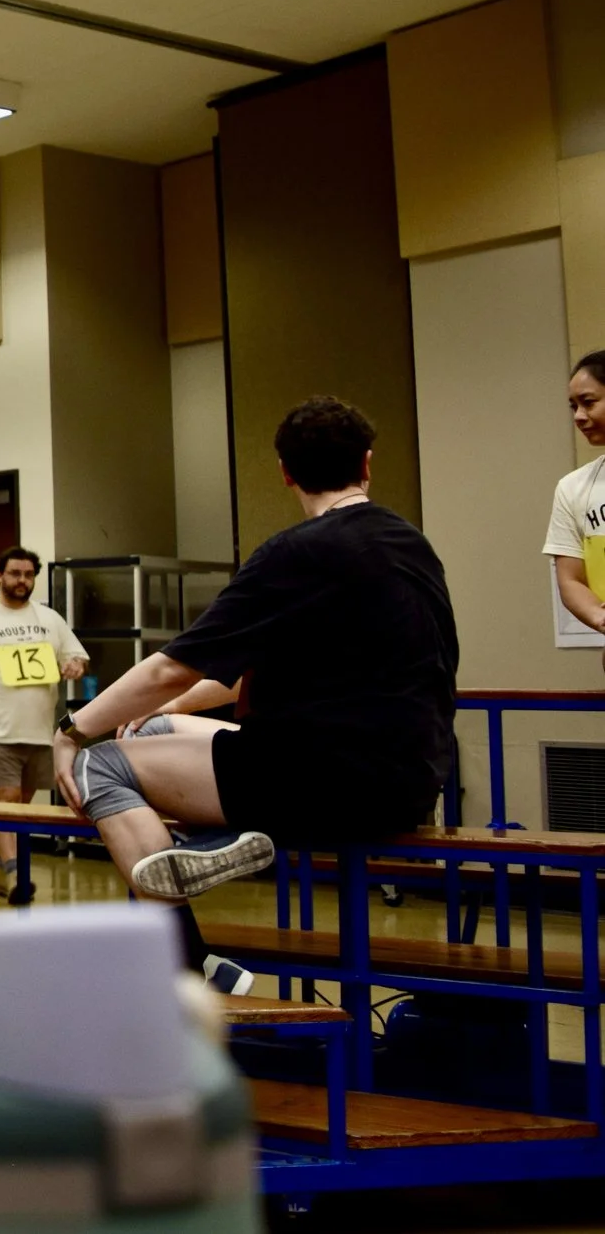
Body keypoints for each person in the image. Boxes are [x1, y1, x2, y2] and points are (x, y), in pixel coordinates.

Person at [53, 397, 459, 990]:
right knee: (156, 729)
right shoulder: (412, 545)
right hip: (413, 781)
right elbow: (217, 678)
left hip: (314, 785)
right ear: (367, 465)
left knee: (99, 766)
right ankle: (203, 844)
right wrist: (160, 710)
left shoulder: (295, 553)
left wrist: (71, 730)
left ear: (286, 472)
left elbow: (173, 667)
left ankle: (189, 959)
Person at [0, 546, 89, 907]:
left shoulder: (49, 619)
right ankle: (14, 873)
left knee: (21, 806)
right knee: (5, 801)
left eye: (28, 575)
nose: (22, 581)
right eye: (15, 574)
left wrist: (74, 667)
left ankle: (2, 868)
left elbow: (76, 657)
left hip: (38, 731)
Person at [546, 350, 605, 669]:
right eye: (574, 406)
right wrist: (600, 617)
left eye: (588, 402)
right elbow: (571, 579)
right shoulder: (573, 488)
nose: (578, 416)